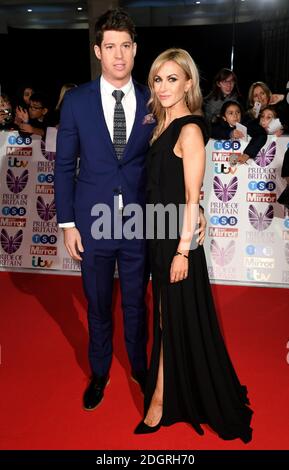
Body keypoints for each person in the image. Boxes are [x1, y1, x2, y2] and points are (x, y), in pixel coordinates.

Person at [54, 8, 207, 412]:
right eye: (110, 47)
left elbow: (181, 154)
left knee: (138, 303)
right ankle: (100, 372)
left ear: (135, 50)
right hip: (92, 222)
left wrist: (198, 207)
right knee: (98, 302)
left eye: (125, 46)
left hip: (144, 222)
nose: (118, 55)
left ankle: (140, 369)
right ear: (98, 51)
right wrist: (68, 222)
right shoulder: (76, 102)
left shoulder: (153, 99)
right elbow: (64, 165)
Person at [134, 48, 253, 444]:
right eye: (158, 79)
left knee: (174, 316)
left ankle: (161, 400)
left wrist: (184, 251)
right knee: (170, 316)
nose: (164, 86)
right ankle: (174, 392)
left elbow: (190, 194)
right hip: (157, 231)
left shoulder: (189, 128)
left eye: (173, 78)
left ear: (188, 83)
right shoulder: (157, 125)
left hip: (175, 239)